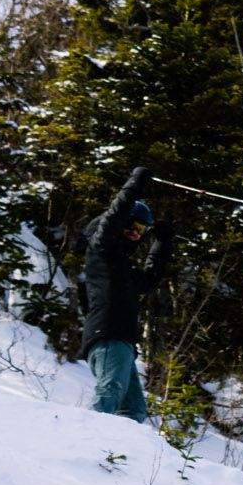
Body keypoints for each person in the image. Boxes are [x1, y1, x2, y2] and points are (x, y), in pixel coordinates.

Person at [81, 165, 173, 422]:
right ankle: (88, 443)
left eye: (141, 230)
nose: (135, 233)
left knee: (134, 409)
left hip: (122, 341)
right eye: (132, 225)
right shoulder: (102, 248)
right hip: (108, 334)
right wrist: (136, 183)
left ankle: (116, 456)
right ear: (121, 223)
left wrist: (162, 244)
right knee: (109, 394)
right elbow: (115, 214)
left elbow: (148, 280)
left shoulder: (122, 266)